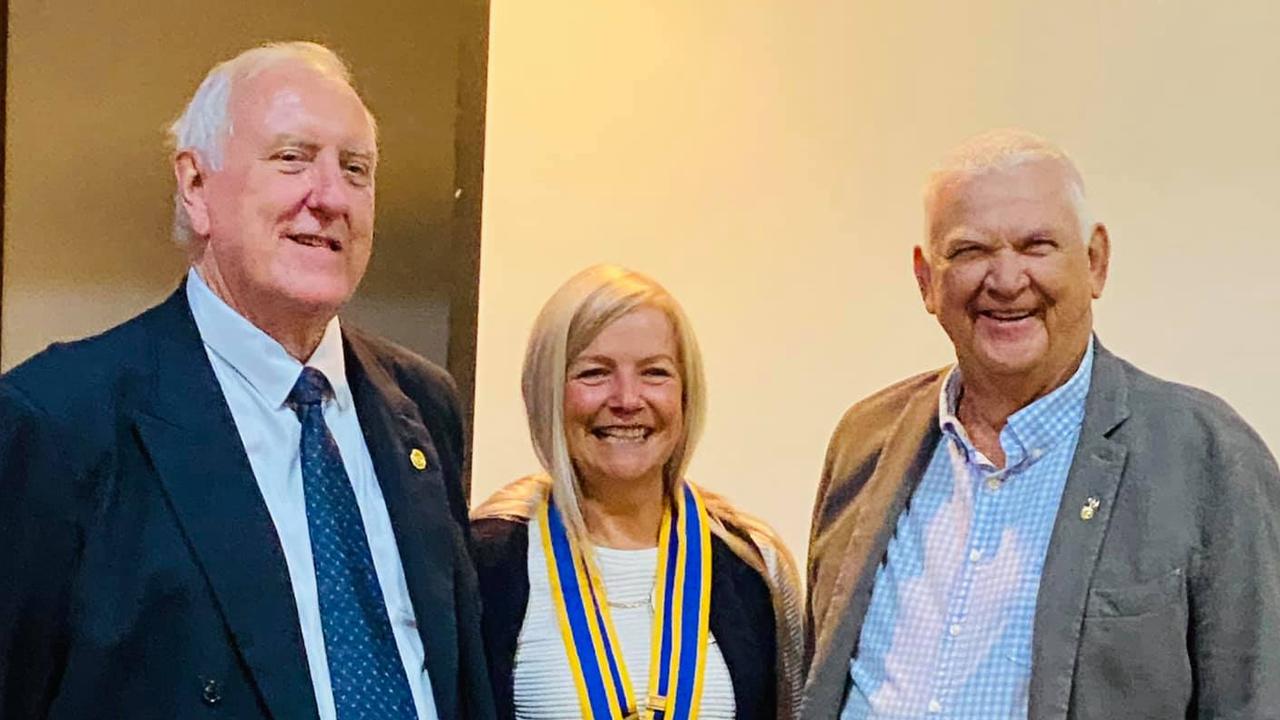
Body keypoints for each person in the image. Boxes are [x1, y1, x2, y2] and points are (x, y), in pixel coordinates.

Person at [0, 41, 494, 720]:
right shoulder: (59, 421)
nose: (329, 197)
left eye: (356, 169)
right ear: (196, 187)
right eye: (293, 158)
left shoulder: (423, 405)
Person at [803, 129, 1280, 719]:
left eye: (1036, 246)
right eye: (971, 250)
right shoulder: (865, 442)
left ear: (1095, 262)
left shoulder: (1206, 458)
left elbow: (1256, 698)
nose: (1005, 280)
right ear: (927, 280)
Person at [470, 265, 804, 720]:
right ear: (547, 391)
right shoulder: (485, 562)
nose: (627, 399)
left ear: (686, 395)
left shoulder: (751, 564)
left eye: (655, 373)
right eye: (594, 373)